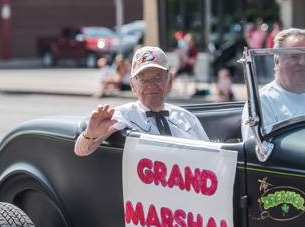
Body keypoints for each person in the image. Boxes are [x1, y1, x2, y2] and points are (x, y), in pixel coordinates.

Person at [75, 46, 209, 157]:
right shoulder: (123, 115)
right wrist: (90, 135)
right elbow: (81, 151)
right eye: (143, 79)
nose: (151, 85)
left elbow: (210, 157)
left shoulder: (186, 118)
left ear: (169, 81)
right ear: (133, 85)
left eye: (158, 77)